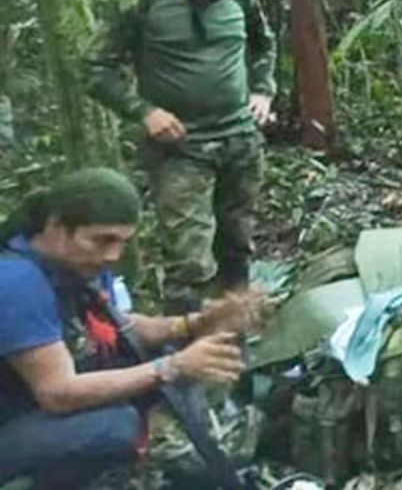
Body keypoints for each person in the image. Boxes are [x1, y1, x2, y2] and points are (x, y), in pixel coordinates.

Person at [0, 168, 259, 488]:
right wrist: (171, 367)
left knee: (161, 358)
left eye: (123, 242)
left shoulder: (78, 263)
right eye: (102, 240)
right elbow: (58, 393)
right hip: (14, 419)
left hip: (35, 406)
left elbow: (120, 327)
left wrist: (194, 323)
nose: (113, 255)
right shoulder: (16, 281)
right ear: (56, 226)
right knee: (116, 425)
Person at [87, 0, 275, 313]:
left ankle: (234, 347)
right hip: (180, 148)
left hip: (240, 141)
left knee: (238, 248)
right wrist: (144, 112)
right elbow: (96, 68)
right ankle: (187, 361)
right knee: (189, 263)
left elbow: (264, 44)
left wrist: (262, 90)